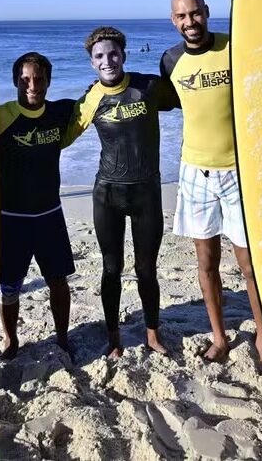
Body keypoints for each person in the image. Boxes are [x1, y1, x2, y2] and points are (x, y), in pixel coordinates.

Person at [160, 0, 262, 371]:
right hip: (195, 172)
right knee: (206, 263)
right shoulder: (170, 60)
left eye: (195, 14)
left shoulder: (235, 47)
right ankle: (219, 337)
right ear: (173, 21)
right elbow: (160, 98)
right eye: (181, 17)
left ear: (207, 12)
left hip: (238, 173)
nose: (189, 22)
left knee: (249, 265)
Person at [63, 26, 178, 359]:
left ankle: (153, 334)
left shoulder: (149, 88)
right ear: (91, 63)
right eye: (99, 56)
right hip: (108, 195)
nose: (107, 60)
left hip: (147, 195)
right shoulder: (90, 98)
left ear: (124, 55)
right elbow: (61, 136)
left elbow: (195, 100)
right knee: (111, 269)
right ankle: (114, 338)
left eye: (113, 53)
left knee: (146, 269)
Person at [0, 52, 76, 359]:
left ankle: (62, 338)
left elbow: (92, 105)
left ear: (49, 81)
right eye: (26, 79)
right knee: (10, 287)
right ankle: (11, 339)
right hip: (11, 218)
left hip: (49, 215)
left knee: (58, 280)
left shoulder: (60, 112)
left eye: (39, 78)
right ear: (16, 80)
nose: (33, 85)